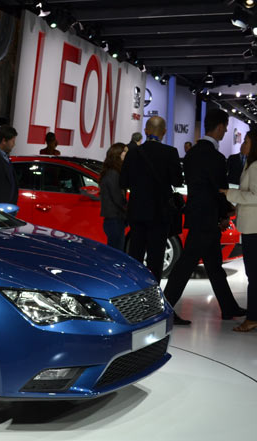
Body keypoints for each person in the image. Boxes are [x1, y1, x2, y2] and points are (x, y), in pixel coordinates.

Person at [163, 109, 245, 326]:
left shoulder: (191, 155)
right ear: (219, 127)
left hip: (198, 216)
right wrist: (225, 214)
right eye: (225, 127)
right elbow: (219, 191)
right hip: (206, 219)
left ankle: (229, 307)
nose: (226, 130)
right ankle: (165, 308)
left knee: (214, 265)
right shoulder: (216, 158)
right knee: (186, 265)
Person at [220, 128, 257, 332]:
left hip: (256, 227)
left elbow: (256, 197)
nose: (243, 143)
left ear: (256, 144)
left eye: (247, 141)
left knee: (255, 275)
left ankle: (255, 317)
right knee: (256, 274)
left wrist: (229, 193)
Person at [119, 116, 183, 281]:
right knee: (156, 259)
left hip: (137, 211)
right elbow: (177, 181)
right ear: (164, 132)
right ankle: (153, 295)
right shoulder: (170, 153)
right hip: (160, 213)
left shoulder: (132, 153)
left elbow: (123, 182)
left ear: (145, 131)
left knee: (135, 256)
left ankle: (134, 294)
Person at [99, 143, 128, 251]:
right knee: (115, 252)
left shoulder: (113, 172)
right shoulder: (113, 174)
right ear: (117, 154)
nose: (126, 154)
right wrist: (128, 209)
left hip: (115, 219)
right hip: (114, 219)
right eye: (124, 151)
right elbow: (118, 198)